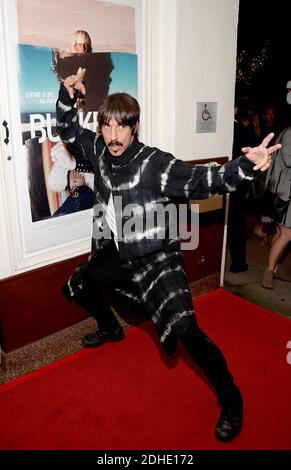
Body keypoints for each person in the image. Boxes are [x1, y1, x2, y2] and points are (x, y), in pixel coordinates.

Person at [56, 67, 280, 442]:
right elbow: (67, 129)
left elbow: (203, 180)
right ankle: (112, 328)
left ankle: (232, 398)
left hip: (156, 259)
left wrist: (246, 166)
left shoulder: (153, 163)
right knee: (78, 285)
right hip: (118, 250)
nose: (113, 136)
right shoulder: (98, 147)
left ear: (134, 127)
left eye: (121, 128)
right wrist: (66, 94)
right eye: (107, 127)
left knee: (187, 330)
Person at [262, 126, 291, 289]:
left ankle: (273, 269)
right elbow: (288, 159)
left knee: (280, 232)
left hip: (282, 190)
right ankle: (268, 272)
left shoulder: (286, 132)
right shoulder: (290, 133)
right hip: (284, 192)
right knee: (287, 234)